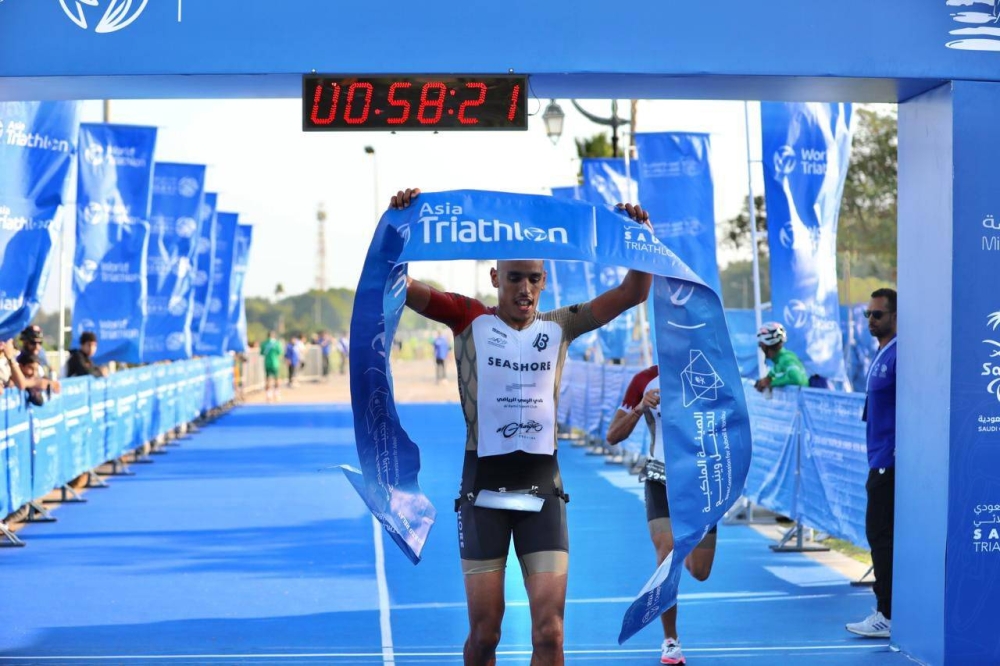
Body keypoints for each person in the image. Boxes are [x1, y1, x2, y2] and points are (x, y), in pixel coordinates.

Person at [392, 187, 652, 666]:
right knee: (485, 633)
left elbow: (632, 293)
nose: (524, 290)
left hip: (542, 490)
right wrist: (401, 224)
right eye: (514, 278)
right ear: (495, 278)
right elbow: (401, 286)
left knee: (550, 633)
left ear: (545, 281)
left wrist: (641, 238)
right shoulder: (467, 317)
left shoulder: (561, 325)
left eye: (534, 279)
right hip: (482, 491)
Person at [605, 365, 718, 665]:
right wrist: (641, 407)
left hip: (700, 481)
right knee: (668, 555)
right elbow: (612, 435)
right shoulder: (644, 380)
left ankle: (686, 545)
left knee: (700, 571)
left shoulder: (710, 372)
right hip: (660, 477)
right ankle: (671, 641)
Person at [846, 288, 897, 639]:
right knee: (880, 535)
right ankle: (889, 609)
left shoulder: (899, 353)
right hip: (878, 457)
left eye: (877, 314)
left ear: (895, 316)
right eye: (868, 314)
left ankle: (887, 613)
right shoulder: (882, 352)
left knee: (880, 535)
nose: (870, 320)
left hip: (889, 461)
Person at [753, 322, 809, 393]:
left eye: (760, 344)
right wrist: (767, 380)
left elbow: (798, 379)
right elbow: (773, 374)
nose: (760, 347)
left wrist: (771, 384)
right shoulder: (780, 360)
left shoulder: (786, 359)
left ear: (765, 345)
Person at [261, 331, 282, 401]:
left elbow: (262, 353)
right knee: (276, 378)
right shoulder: (277, 343)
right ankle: (276, 394)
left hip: (267, 363)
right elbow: (279, 352)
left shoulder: (264, 343)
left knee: (267, 379)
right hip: (275, 363)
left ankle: (268, 395)